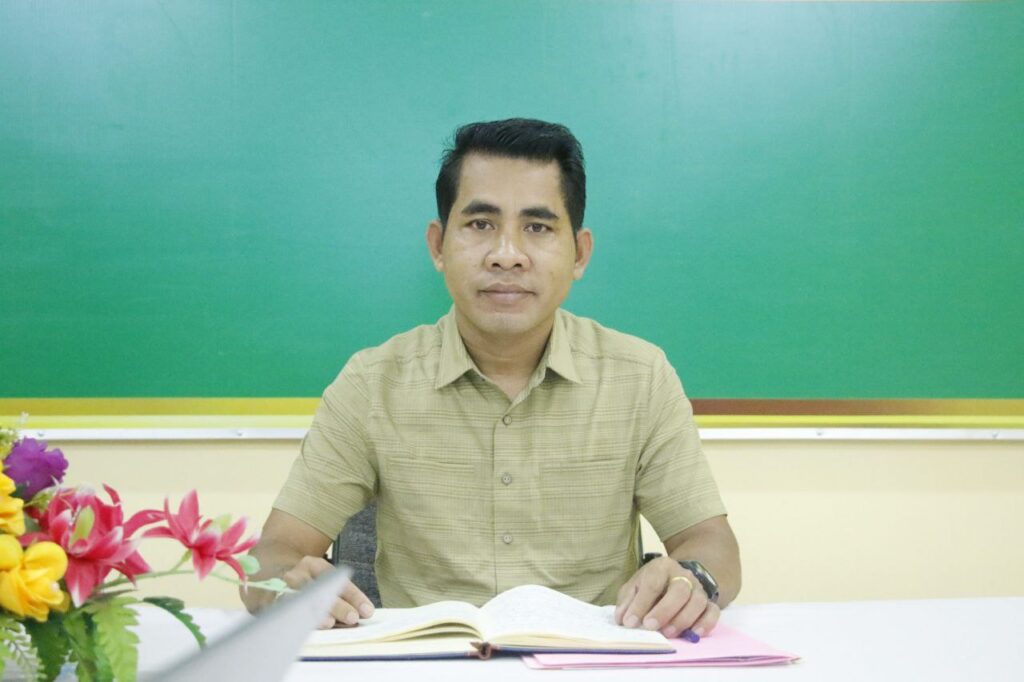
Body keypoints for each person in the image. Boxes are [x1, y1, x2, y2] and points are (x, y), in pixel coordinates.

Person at [242, 118, 741, 640]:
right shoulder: (372, 383)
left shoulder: (639, 378)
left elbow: (712, 543)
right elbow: (273, 553)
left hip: (588, 665)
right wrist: (286, 584)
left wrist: (693, 579)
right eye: (481, 224)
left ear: (580, 254)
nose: (507, 254)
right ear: (438, 246)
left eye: (538, 227)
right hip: (424, 665)